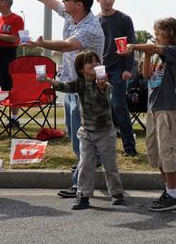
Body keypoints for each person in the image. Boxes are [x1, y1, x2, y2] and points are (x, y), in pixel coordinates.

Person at [0, 0, 105, 198]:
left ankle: (82, 182)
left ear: (80, 4)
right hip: (71, 84)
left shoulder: (91, 28)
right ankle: (88, 165)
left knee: (82, 137)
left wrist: (40, 44)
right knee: (77, 136)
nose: (63, 2)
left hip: (88, 90)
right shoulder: (70, 14)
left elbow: (66, 45)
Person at [49, 50, 124, 210]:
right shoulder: (80, 83)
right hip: (87, 131)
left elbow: (107, 91)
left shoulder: (104, 82)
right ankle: (83, 196)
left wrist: (102, 85)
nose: (95, 64)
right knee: (85, 164)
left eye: (97, 62)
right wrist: (48, 80)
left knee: (109, 164)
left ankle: (117, 193)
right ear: (81, 69)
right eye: (90, 62)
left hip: (105, 131)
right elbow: (65, 86)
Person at [129, 18, 176, 212]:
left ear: (170, 33)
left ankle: (172, 196)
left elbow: (155, 48)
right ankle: (172, 188)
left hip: (167, 109)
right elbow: (146, 75)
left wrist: (134, 46)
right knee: (155, 152)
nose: (155, 36)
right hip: (153, 108)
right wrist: (146, 55)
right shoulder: (155, 53)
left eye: (159, 33)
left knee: (167, 152)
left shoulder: (175, 51)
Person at [96, 0, 138, 157]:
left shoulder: (124, 19)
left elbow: (131, 44)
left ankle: (130, 147)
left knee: (119, 105)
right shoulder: (94, 20)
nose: (108, 1)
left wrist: (128, 69)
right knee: (102, 107)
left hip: (120, 69)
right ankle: (105, 145)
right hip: (100, 69)